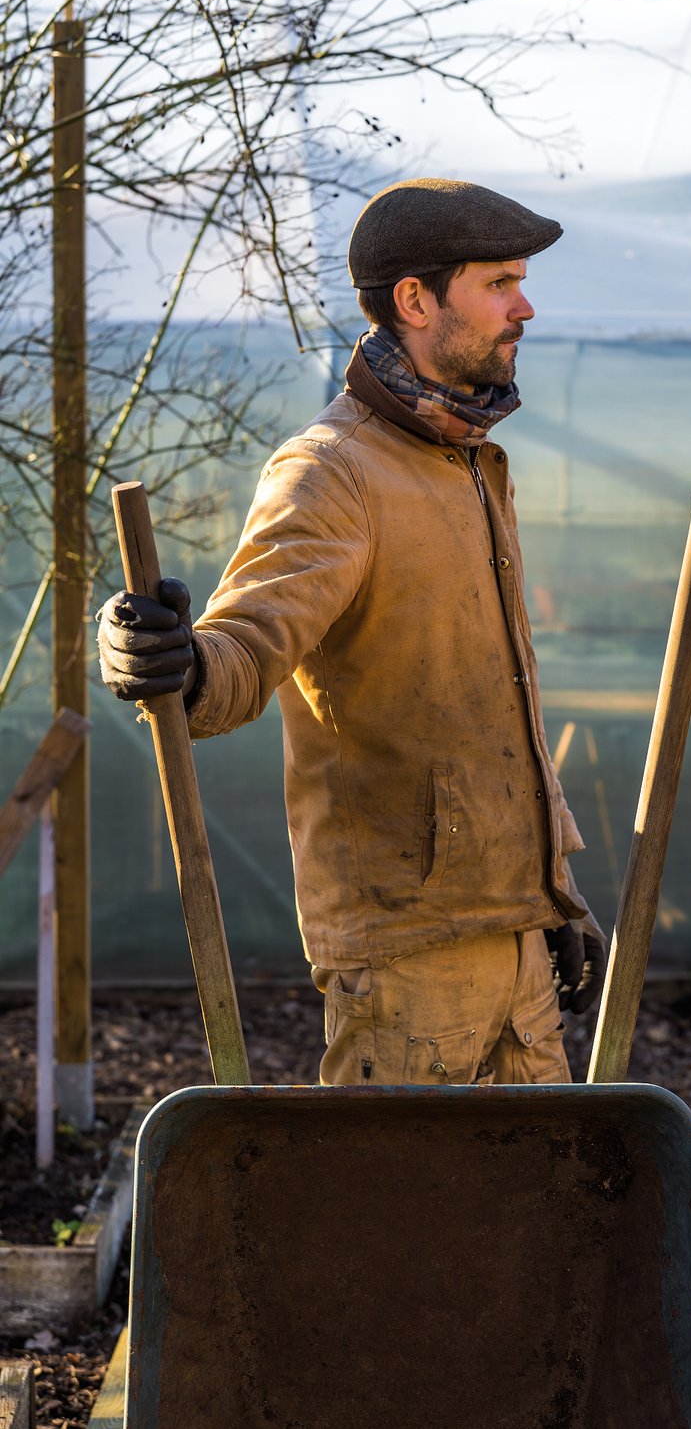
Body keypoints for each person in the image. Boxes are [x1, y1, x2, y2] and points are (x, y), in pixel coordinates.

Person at [98, 177, 606, 1086]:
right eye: (499, 283)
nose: (525, 307)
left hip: (514, 940)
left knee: (533, 1222)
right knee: (393, 1223)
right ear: (415, 299)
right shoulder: (336, 471)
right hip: (407, 952)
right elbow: (247, 649)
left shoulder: (472, 464)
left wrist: (556, 897)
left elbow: (500, 708)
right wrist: (169, 662)